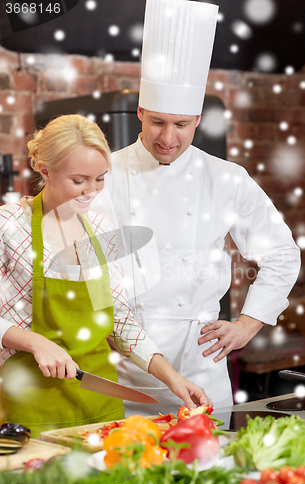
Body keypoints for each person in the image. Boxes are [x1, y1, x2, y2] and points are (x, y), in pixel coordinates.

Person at [92, 0, 301, 417]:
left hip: (202, 364)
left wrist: (248, 323)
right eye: (156, 122)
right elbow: (88, 256)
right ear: (140, 112)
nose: (168, 137)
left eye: (181, 125)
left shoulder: (226, 178)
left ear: (198, 120)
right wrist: (104, 321)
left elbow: (281, 253)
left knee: (209, 474)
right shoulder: (105, 172)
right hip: (125, 366)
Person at [0, 114, 212, 438]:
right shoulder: (9, 225)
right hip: (30, 406)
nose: (91, 191)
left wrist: (174, 379)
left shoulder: (99, 229)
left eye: (100, 179)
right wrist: (33, 341)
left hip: (100, 407)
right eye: (79, 180)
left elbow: (119, 321)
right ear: (44, 169)